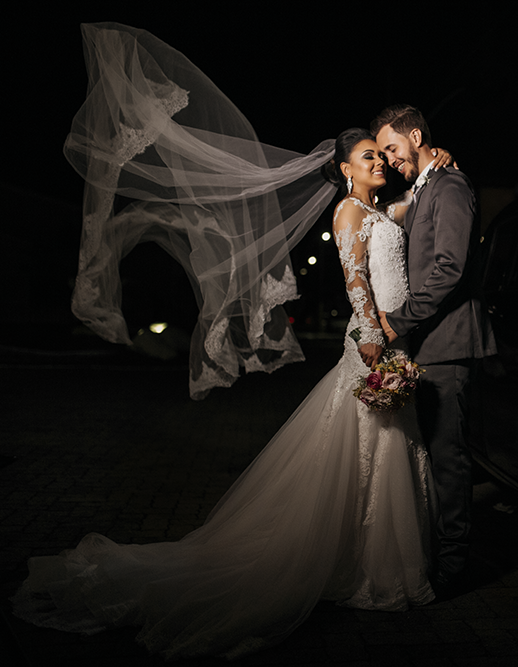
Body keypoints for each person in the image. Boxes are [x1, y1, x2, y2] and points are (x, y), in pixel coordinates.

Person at [11, 24, 451, 660]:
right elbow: (357, 283)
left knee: (380, 460)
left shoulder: (383, 211)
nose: (379, 163)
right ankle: (357, 569)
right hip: (373, 348)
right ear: (343, 170)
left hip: (386, 344)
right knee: (368, 457)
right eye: (367, 158)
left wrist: (437, 164)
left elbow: (420, 201)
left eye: (381, 157)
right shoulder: (351, 213)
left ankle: (367, 562)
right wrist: (374, 346)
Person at [373, 105, 496, 597]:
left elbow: (449, 268)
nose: (388, 159)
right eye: (381, 153)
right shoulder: (428, 184)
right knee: (430, 458)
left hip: (447, 345)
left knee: (449, 459)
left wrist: (396, 322)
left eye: (392, 148)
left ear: (416, 135)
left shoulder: (451, 185)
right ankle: (434, 553)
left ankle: (452, 569)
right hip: (425, 345)